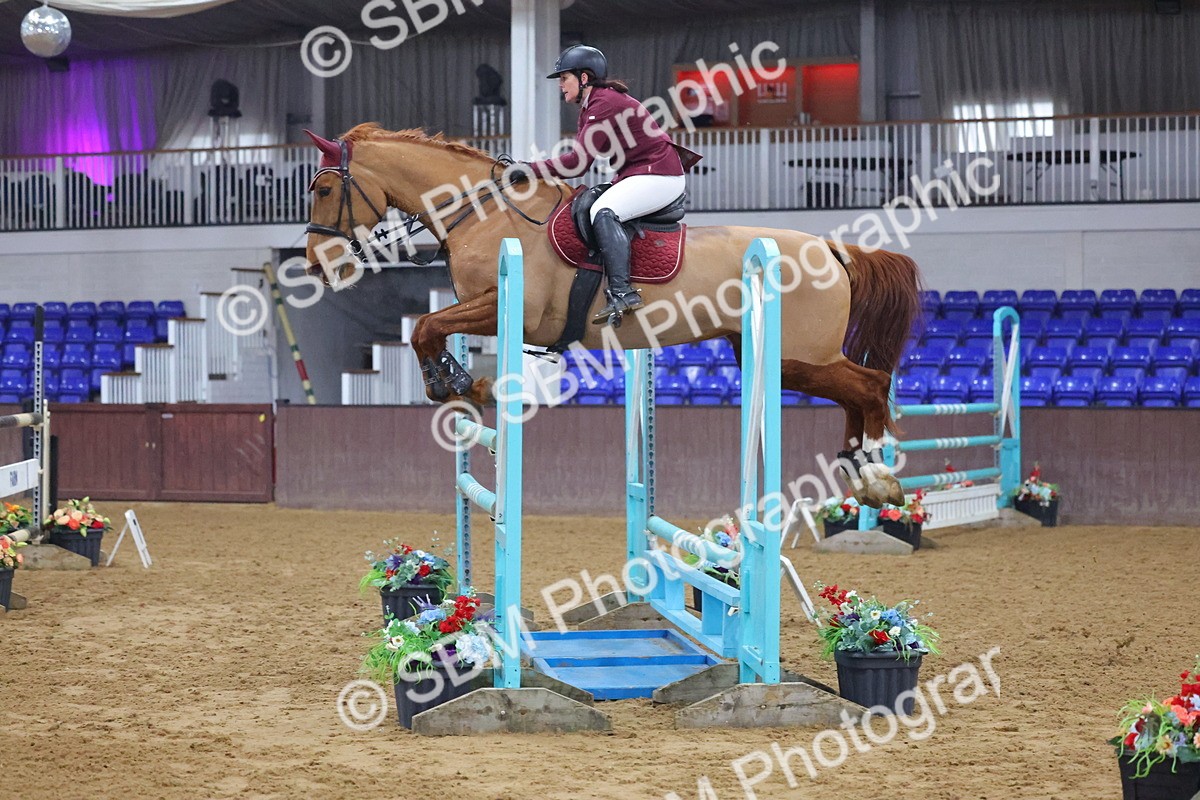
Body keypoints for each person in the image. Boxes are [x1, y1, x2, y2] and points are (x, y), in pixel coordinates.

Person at [522, 45, 700, 324]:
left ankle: (622, 292)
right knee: (593, 204)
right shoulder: (594, 103)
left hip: (660, 175)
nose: (560, 85)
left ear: (583, 79)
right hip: (641, 173)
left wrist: (530, 170)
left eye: (564, 78)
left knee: (602, 211)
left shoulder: (603, 102)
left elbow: (577, 164)